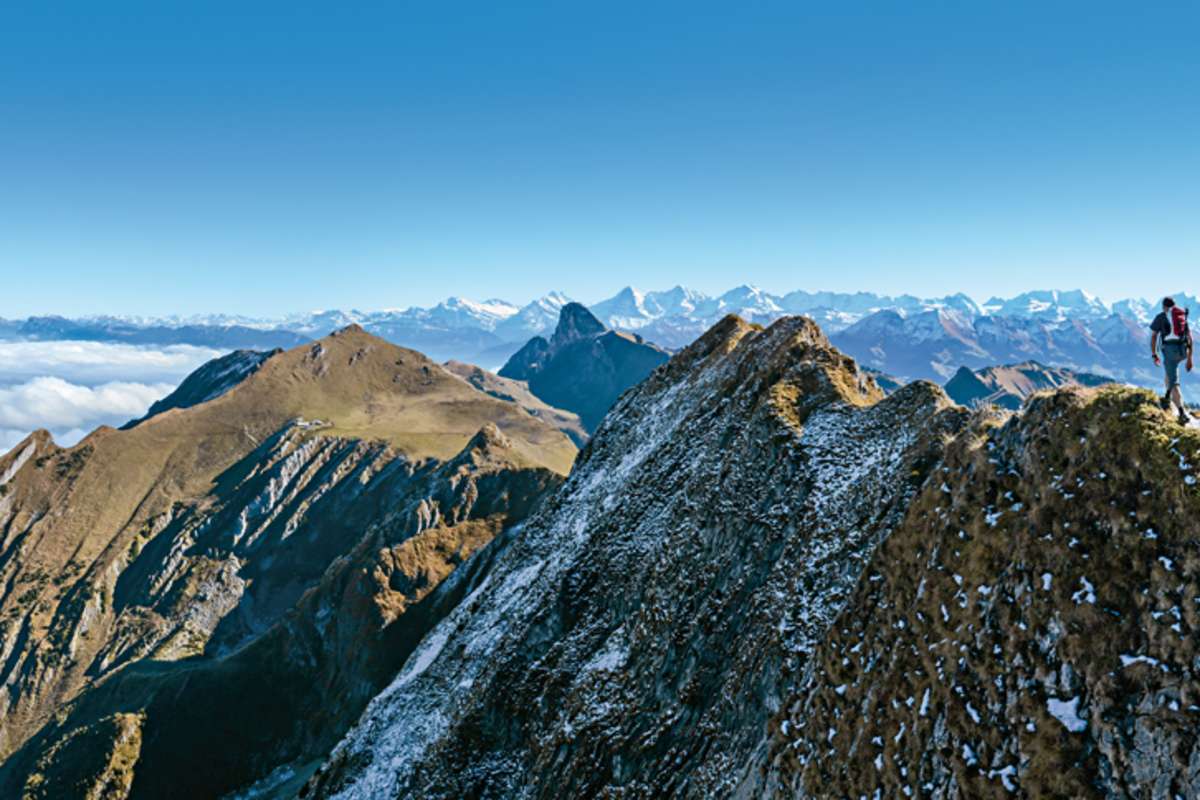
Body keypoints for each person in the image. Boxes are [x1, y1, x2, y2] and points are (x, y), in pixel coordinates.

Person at [1150, 296, 1193, 424]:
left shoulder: (1161, 317)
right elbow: (1190, 339)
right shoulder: (1182, 315)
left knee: (1174, 383)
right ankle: (1167, 397)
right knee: (1169, 375)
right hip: (1183, 350)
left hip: (1170, 352)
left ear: (1164, 306)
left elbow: (1153, 337)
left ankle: (1181, 413)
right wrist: (1190, 359)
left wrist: (1154, 354)